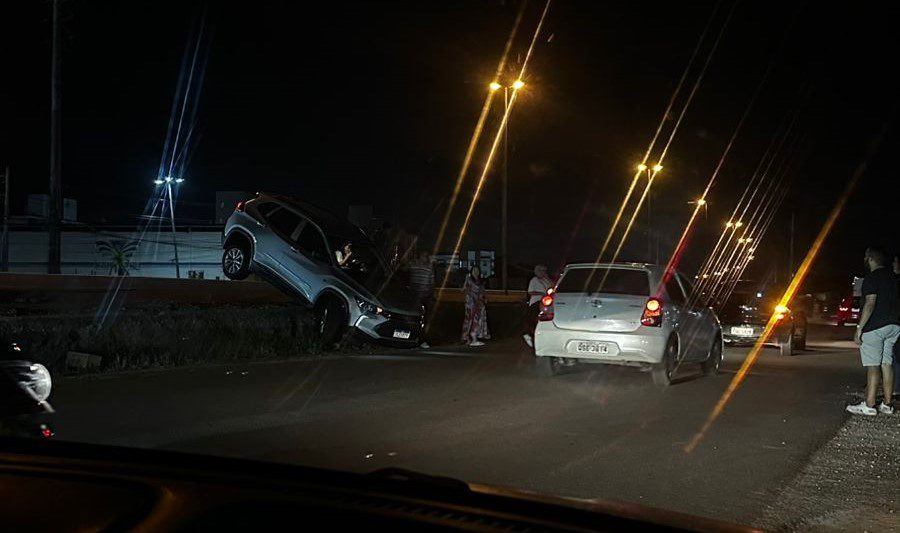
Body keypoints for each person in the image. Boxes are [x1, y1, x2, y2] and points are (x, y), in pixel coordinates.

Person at [846, 247, 900, 416]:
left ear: (870, 259)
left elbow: (870, 303)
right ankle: (887, 404)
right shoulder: (894, 278)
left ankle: (869, 405)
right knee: (887, 363)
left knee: (873, 366)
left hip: (875, 327)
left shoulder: (872, 278)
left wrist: (859, 329)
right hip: (894, 325)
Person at [406, 251, 435, 349]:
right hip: (415, 296)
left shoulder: (429, 268)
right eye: (424, 256)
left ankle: (422, 340)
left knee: (425, 319)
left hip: (425, 296)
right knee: (414, 318)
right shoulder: (414, 265)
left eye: (427, 256)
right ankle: (412, 339)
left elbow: (432, 283)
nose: (426, 258)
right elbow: (405, 272)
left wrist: (430, 296)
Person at [523, 264, 553, 348]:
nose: (544, 272)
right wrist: (542, 293)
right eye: (542, 271)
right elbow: (530, 292)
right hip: (536, 302)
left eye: (545, 271)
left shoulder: (545, 280)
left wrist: (548, 278)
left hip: (546, 303)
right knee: (534, 320)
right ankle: (530, 335)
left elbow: (553, 286)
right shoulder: (534, 280)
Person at [461, 265, 490, 347]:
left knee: (478, 321)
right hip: (471, 304)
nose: (476, 272)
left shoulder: (480, 282)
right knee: (471, 321)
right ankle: (470, 339)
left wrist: (484, 299)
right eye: (474, 270)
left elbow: (483, 292)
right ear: (471, 271)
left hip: (479, 304)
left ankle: (473, 338)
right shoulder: (469, 280)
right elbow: (463, 289)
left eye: (477, 270)